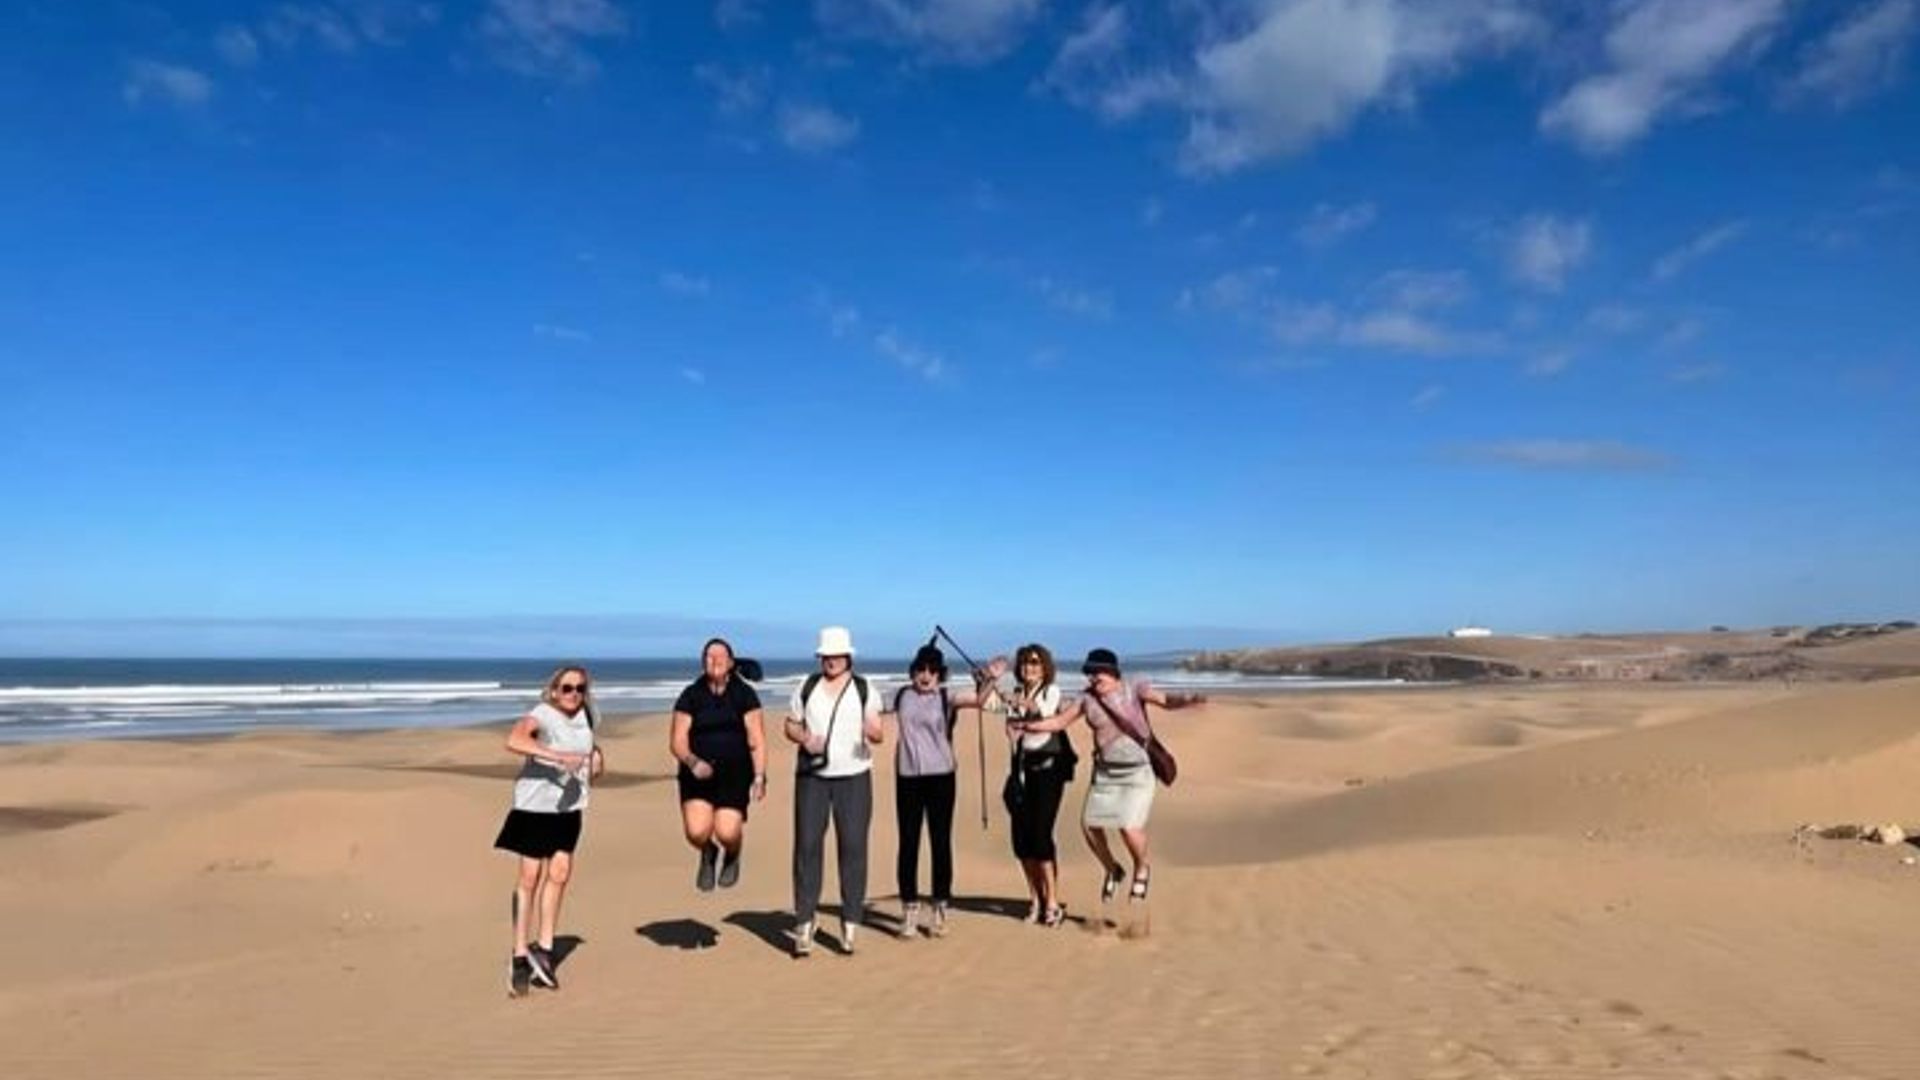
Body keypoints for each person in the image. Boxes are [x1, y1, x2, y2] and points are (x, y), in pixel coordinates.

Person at [1009, 647, 1203, 908]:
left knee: (1128, 826)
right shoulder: (1087, 698)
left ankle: (1141, 867)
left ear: (1111, 672)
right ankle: (1113, 869)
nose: (1092, 677)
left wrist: (1187, 700)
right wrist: (1028, 726)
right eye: (1089, 673)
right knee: (1089, 826)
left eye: (1096, 672)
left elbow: (1165, 700)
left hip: (1137, 772)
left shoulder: (1134, 687)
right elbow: (1059, 722)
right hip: (1105, 773)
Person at [493, 664, 604, 997]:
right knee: (530, 877)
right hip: (534, 807)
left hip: (569, 808)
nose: (574, 694)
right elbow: (514, 740)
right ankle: (519, 955)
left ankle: (544, 949)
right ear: (554, 691)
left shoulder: (587, 717)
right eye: (567, 688)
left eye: (580, 688)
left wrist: (597, 759)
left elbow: (588, 751)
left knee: (561, 873)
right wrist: (556, 756)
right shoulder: (542, 714)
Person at [783, 626, 883, 957]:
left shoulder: (865, 689)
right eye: (826, 655)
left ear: (848, 657)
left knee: (853, 847)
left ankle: (850, 922)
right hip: (812, 778)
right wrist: (804, 738)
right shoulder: (807, 686)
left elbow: (879, 731)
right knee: (807, 846)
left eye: (837, 655)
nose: (831, 660)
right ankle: (804, 922)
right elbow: (790, 724)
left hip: (854, 777)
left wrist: (872, 731)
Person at [882, 643, 990, 940]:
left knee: (940, 842)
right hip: (908, 778)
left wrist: (987, 679)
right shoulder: (901, 695)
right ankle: (909, 908)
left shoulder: (947, 696)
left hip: (941, 777)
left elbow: (980, 700)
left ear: (940, 674)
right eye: (921, 669)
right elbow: (869, 707)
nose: (926, 675)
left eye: (932, 670)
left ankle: (940, 906)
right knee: (908, 844)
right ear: (913, 671)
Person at [670, 638, 767, 892]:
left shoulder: (744, 694)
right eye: (709, 657)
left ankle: (733, 854)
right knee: (696, 832)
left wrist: (759, 776)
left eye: (720, 656)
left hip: (735, 774)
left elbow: (756, 739)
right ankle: (708, 852)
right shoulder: (691, 695)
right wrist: (692, 762)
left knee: (727, 831)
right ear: (703, 663)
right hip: (697, 774)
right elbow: (677, 741)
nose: (714, 661)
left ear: (731, 662)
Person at [997, 643, 1076, 927]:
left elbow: (1044, 712)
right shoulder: (1018, 692)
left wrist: (1022, 705)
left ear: (1044, 668)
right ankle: (1035, 899)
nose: (1029, 667)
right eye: (1025, 663)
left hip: (1049, 770)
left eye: (1034, 662)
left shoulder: (1050, 691)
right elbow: (1003, 718)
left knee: (1041, 835)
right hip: (1022, 769)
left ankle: (1052, 901)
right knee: (1022, 840)